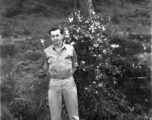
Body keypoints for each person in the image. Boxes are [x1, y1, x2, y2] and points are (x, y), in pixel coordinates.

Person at [43, 27, 79, 120]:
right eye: (53, 36)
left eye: (57, 35)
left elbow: (75, 65)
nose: (55, 38)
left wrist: (69, 75)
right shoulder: (47, 51)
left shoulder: (70, 49)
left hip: (69, 83)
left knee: (74, 115)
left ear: (62, 36)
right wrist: (54, 77)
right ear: (51, 38)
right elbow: (46, 68)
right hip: (54, 84)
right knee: (55, 116)